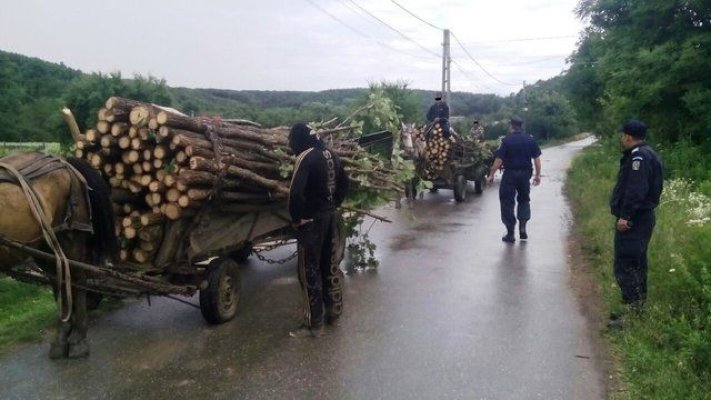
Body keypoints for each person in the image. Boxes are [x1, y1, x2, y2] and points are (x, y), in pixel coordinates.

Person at [288, 122, 349, 338]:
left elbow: (295, 194)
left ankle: (314, 323)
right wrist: (334, 205)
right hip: (330, 217)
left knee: (308, 271)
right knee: (328, 265)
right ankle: (334, 312)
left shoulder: (306, 157)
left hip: (312, 222)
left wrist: (297, 219)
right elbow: (345, 183)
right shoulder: (331, 154)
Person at [608, 120, 663, 328]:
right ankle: (635, 309)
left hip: (635, 220)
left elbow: (636, 191)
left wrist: (625, 216)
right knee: (637, 264)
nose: (622, 139)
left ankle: (632, 317)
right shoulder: (649, 153)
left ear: (629, 137)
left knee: (627, 263)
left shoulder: (638, 157)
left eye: (623, 136)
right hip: (641, 218)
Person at [486, 116, 542, 243]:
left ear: (511, 125)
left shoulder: (506, 141)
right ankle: (523, 227)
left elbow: (499, 160)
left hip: (510, 174)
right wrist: (538, 175)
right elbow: (537, 159)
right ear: (521, 126)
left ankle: (510, 233)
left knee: (506, 201)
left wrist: (491, 174)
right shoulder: (530, 139)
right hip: (525, 175)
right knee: (524, 199)